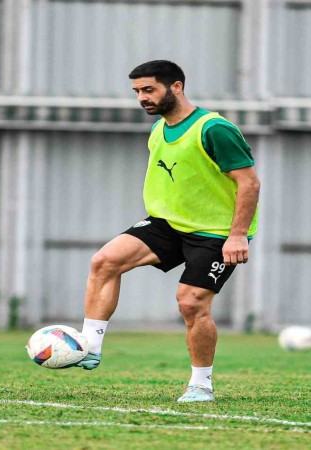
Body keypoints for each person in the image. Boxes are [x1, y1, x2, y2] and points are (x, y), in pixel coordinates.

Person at [75, 60, 260, 403]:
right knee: (104, 261)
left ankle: (201, 385)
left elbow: (249, 183)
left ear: (176, 87)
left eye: (149, 90)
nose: (142, 98)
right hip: (168, 223)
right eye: (137, 92)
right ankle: (88, 347)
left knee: (191, 303)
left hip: (215, 232)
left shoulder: (214, 129)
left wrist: (237, 235)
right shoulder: (159, 128)